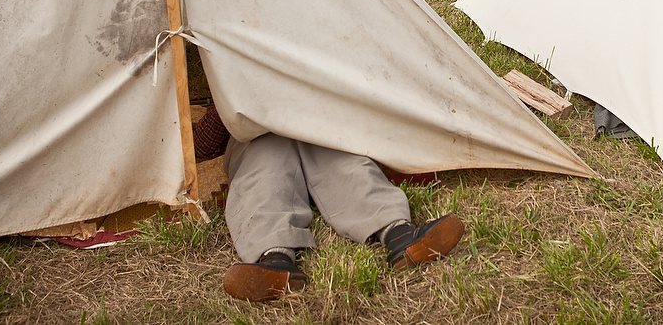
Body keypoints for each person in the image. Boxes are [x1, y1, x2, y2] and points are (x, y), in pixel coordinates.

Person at [193, 107, 465, 302]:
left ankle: (400, 236)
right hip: (256, 130)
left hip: (315, 117)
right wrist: (232, 99)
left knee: (339, 155)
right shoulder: (231, 64)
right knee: (264, 165)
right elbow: (201, 145)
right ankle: (275, 261)